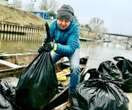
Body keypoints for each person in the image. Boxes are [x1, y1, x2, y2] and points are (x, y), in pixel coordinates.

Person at [38, 4, 80, 102]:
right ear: (57, 18)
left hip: (72, 49)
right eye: (61, 20)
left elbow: (70, 49)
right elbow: (48, 39)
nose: (63, 23)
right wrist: (43, 47)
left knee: (75, 68)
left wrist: (54, 46)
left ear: (71, 20)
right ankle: (43, 85)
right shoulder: (53, 25)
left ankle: (72, 94)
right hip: (58, 47)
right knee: (46, 63)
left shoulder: (75, 28)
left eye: (66, 21)